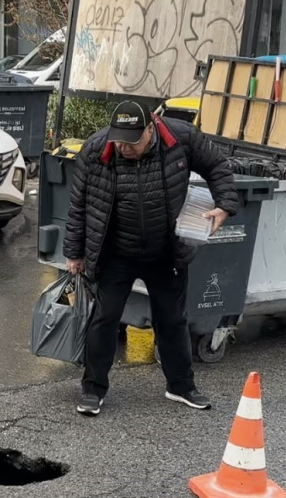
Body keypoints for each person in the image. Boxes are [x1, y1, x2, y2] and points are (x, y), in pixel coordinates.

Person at [63, 101, 238, 416]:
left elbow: (217, 165)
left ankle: (181, 386)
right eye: (119, 141)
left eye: (132, 141)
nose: (124, 148)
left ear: (150, 128)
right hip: (116, 252)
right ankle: (93, 390)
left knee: (172, 320)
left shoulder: (181, 138)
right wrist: (74, 253)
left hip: (165, 251)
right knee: (104, 320)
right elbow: (78, 205)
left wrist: (224, 204)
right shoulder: (95, 149)